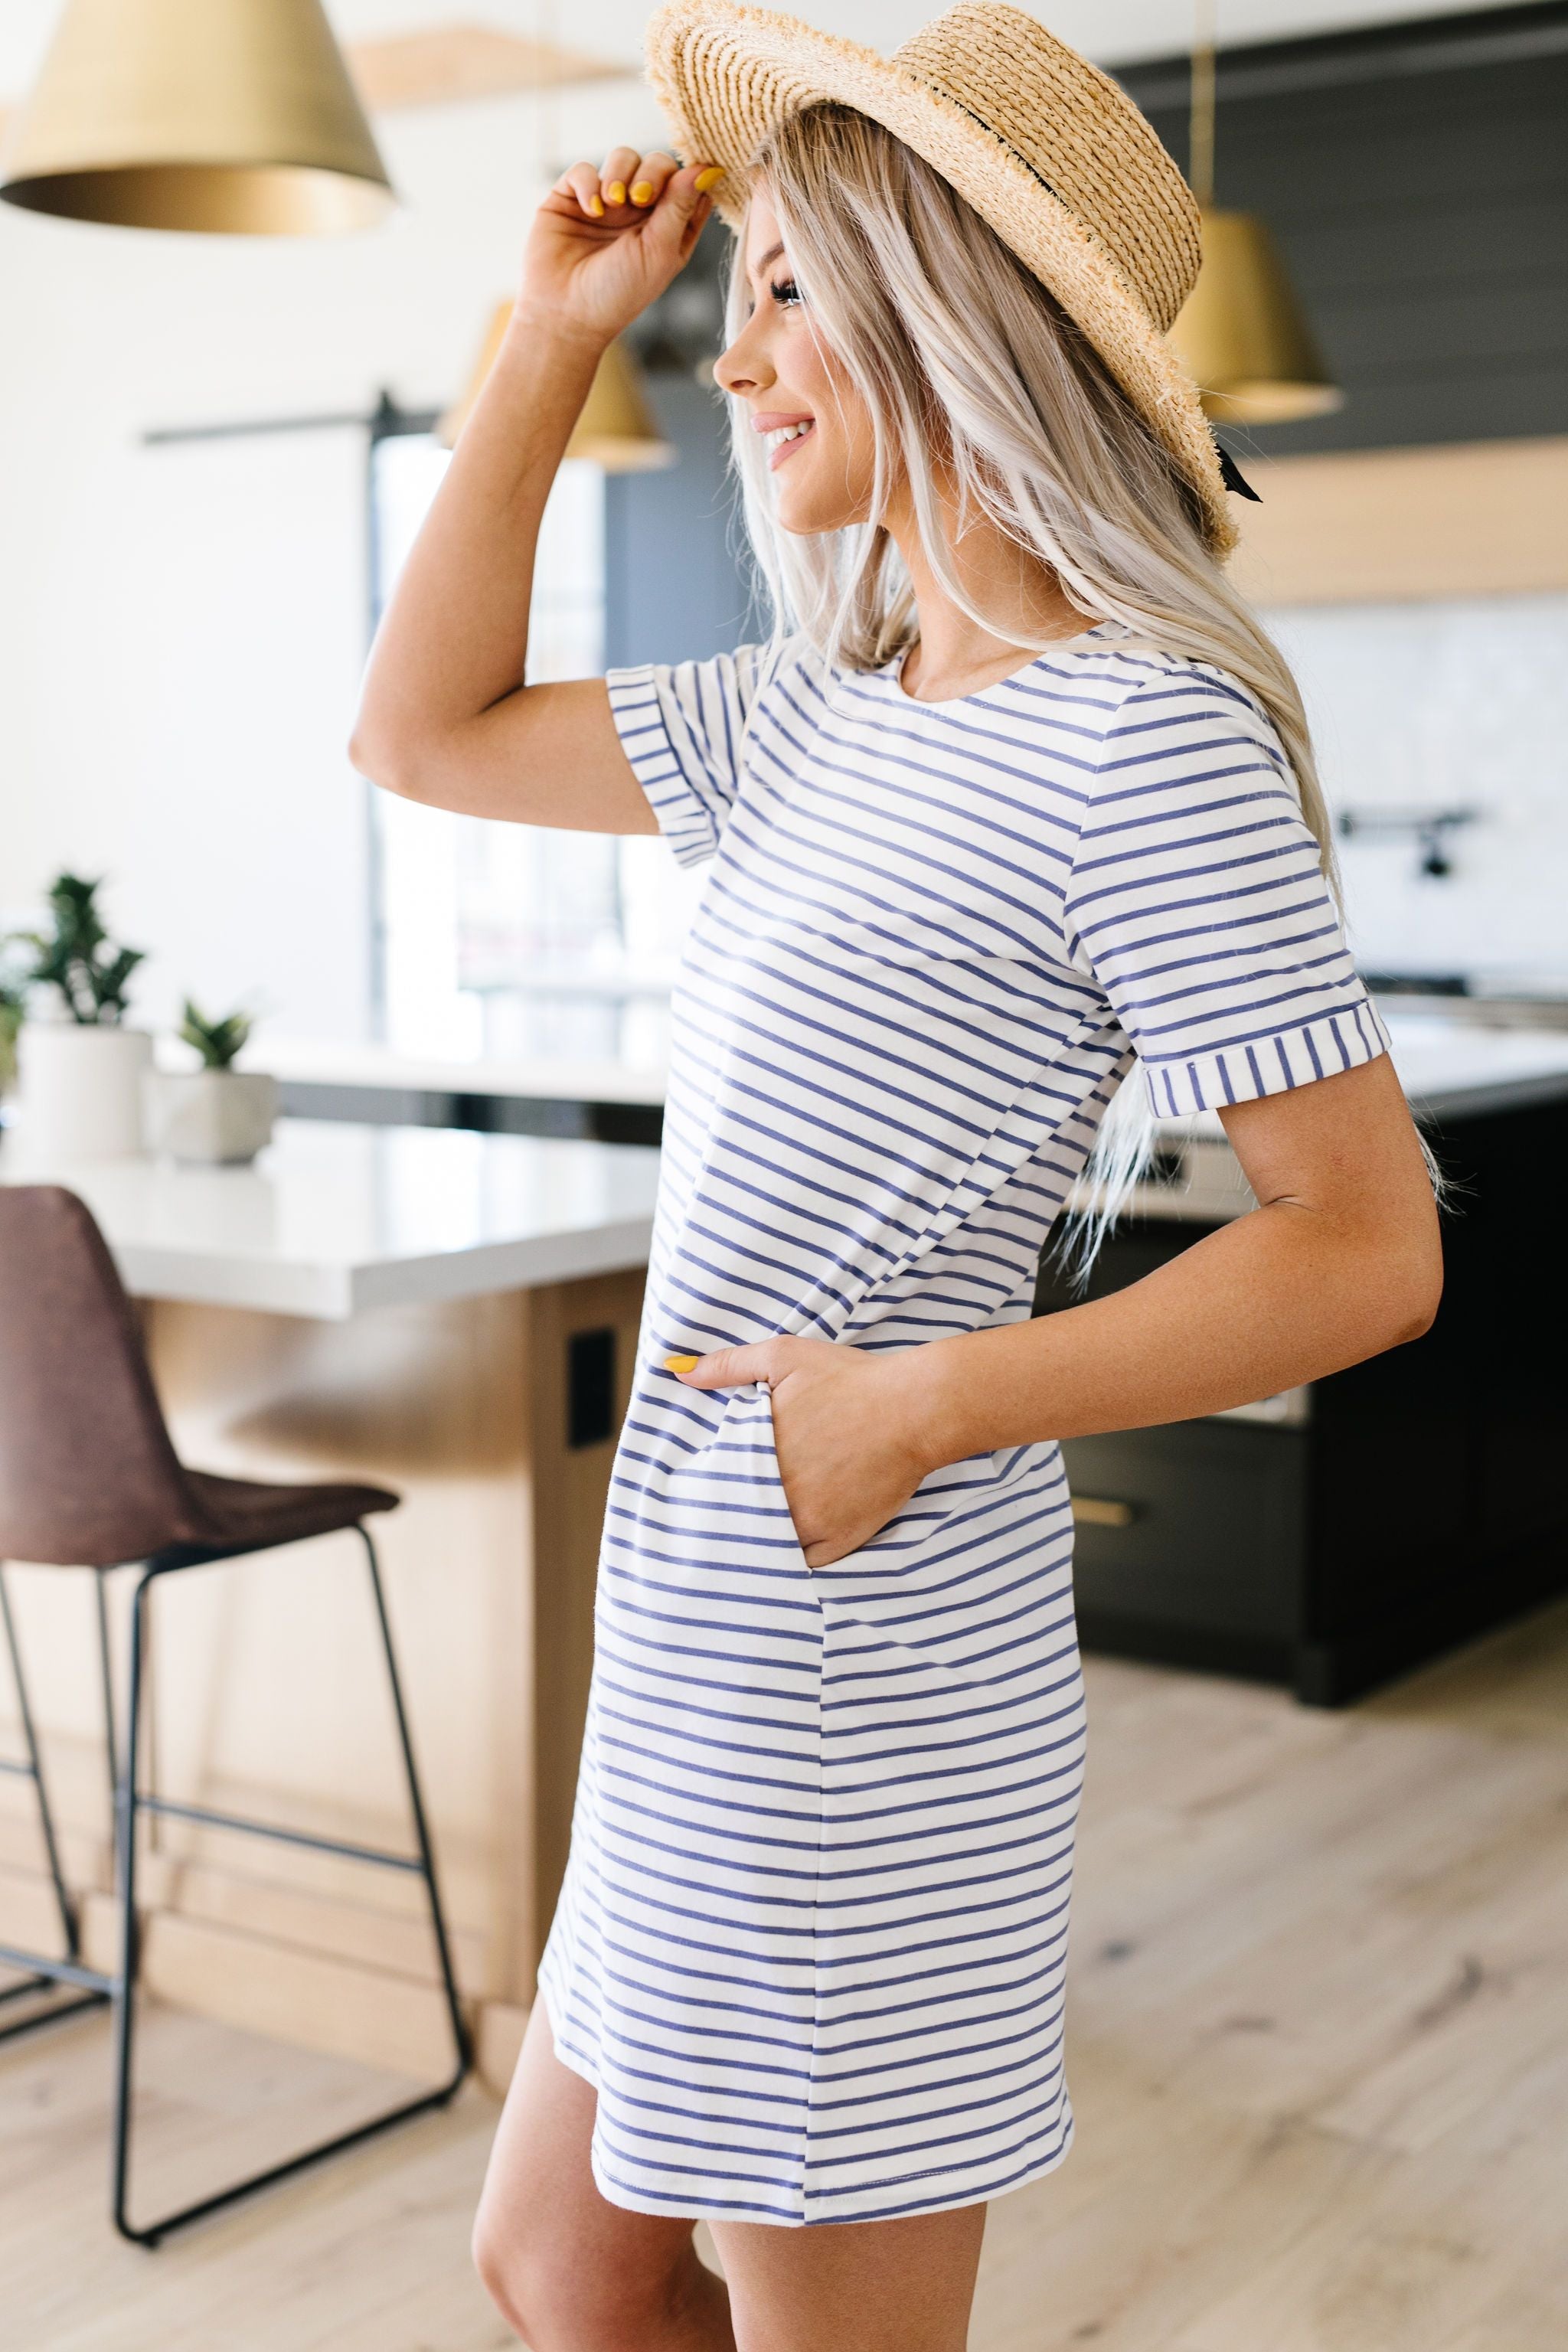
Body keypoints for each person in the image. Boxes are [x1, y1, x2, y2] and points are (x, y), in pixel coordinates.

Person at [351, 5, 1442, 2344]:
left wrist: (921, 1406)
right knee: (556, 2255)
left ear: (953, 306)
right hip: (697, 1627)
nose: (734, 361)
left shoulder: (1143, 737)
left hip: (860, 1642)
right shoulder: (803, 715)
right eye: (728, 300)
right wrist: (549, 333)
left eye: (782, 293)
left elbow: (1368, 1249)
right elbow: (415, 729)